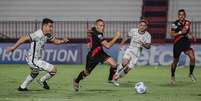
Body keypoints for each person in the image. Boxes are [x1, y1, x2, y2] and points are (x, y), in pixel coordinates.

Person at [6, 18, 69, 91]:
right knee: (36, 70)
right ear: (44, 26)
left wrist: (63, 41)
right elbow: (23, 38)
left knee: (53, 70)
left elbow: (55, 41)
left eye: (52, 27)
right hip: (32, 59)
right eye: (50, 26)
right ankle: (26, 85)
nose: (51, 28)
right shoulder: (37, 34)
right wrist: (13, 48)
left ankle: (36, 82)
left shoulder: (47, 35)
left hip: (38, 59)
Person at [73, 19, 121, 91]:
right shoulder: (98, 35)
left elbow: (90, 30)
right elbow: (107, 46)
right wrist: (116, 37)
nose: (102, 27)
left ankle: (110, 79)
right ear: (97, 26)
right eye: (100, 26)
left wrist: (89, 34)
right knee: (86, 73)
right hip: (92, 56)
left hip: (100, 54)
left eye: (103, 26)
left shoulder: (95, 30)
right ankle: (76, 81)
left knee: (114, 65)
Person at [112, 19, 151, 86]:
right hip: (130, 50)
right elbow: (127, 36)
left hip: (137, 54)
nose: (142, 27)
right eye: (141, 25)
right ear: (138, 25)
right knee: (125, 62)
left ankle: (117, 78)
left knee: (128, 69)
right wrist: (121, 44)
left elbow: (148, 46)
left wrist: (143, 44)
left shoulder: (148, 35)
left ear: (146, 27)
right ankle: (115, 74)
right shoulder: (133, 31)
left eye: (144, 26)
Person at [169, 9, 196, 85]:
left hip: (185, 42)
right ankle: (173, 76)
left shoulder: (187, 22)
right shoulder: (175, 24)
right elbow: (172, 34)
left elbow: (188, 30)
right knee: (175, 61)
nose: (181, 16)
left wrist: (192, 35)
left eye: (183, 14)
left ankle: (190, 74)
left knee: (192, 57)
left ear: (185, 15)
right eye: (180, 14)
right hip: (177, 43)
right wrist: (180, 32)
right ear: (178, 16)